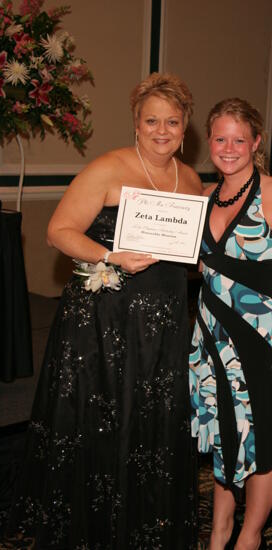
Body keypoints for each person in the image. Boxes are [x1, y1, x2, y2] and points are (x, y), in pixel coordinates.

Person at [6, 73, 202, 549]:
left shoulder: (192, 179)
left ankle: (142, 519)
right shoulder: (107, 169)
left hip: (165, 321)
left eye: (171, 122)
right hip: (106, 321)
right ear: (136, 123)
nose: (161, 130)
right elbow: (59, 231)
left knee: (152, 419)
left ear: (185, 127)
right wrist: (110, 256)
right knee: (102, 417)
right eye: (151, 120)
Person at [189, 98, 272, 550]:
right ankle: (219, 533)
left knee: (262, 439)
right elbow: (199, 266)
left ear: (256, 142)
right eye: (220, 138)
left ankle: (249, 536)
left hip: (262, 338)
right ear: (210, 142)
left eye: (240, 139)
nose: (229, 147)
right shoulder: (203, 198)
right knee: (225, 431)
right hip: (211, 335)